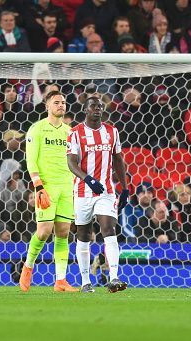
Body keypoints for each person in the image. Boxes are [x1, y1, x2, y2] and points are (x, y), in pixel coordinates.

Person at [67, 96, 130, 293]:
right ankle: (86, 282)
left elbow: (118, 160)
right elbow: (71, 162)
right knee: (83, 235)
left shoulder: (112, 132)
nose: (97, 109)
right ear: (85, 110)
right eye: (93, 106)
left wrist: (125, 188)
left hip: (106, 191)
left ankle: (114, 277)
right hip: (82, 191)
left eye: (100, 107)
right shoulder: (75, 133)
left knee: (108, 229)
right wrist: (88, 179)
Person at [19, 91, 78, 293]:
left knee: (63, 232)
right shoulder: (37, 129)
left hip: (66, 186)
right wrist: (38, 186)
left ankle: (60, 280)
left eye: (63, 102)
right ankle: (28, 266)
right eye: (56, 102)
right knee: (44, 232)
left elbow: (75, 161)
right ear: (47, 106)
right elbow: (31, 160)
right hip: (46, 186)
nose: (61, 105)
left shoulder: (70, 132)